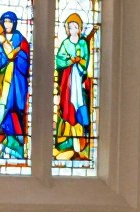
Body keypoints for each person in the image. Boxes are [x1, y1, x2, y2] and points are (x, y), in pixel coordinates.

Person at [0, 11, 30, 160]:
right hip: (2, 81)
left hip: (17, 81)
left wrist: (17, 57)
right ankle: (4, 144)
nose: (7, 25)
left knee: (15, 111)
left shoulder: (21, 40)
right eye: (5, 22)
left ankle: (16, 148)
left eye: (10, 22)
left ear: (14, 23)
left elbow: (25, 61)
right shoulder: (0, 40)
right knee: (2, 110)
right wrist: (5, 57)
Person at [54, 14, 92, 162]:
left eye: (75, 26)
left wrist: (79, 62)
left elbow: (85, 60)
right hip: (67, 81)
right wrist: (70, 60)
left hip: (79, 80)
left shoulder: (82, 44)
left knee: (79, 107)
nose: (73, 29)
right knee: (66, 108)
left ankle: (80, 144)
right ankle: (66, 143)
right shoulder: (65, 43)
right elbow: (59, 59)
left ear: (80, 28)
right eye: (70, 27)